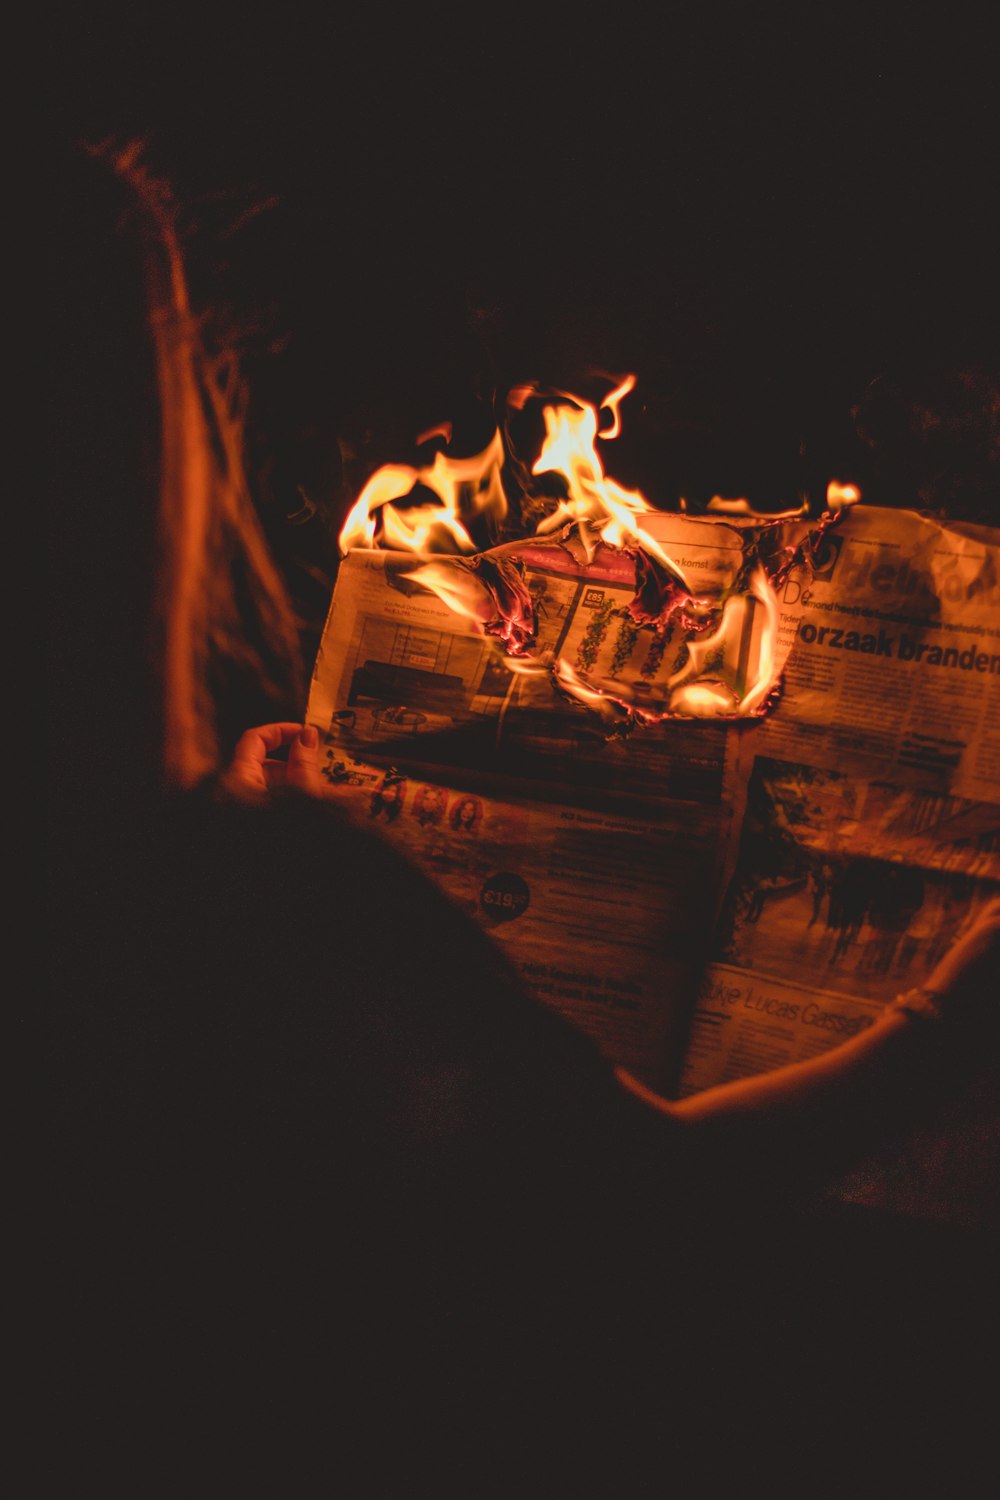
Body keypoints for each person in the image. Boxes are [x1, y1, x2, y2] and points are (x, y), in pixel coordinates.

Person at [46, 138, 998, 1491]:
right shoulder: (229, 897)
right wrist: (956, 1015)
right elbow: (657, 1202)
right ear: (133, 466)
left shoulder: (147, 882)